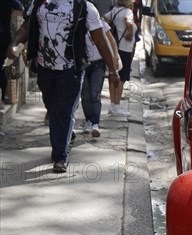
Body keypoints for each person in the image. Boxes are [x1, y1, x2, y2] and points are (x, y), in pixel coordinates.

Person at [7, 0, 120, 173]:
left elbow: (100, 38)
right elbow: (26, 27)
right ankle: (65, 136)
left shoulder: (84, 7)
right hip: (45, 69)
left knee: (64, 110)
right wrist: (14, 43)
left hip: (71, 69)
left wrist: (112, 69)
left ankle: (60, 156)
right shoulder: (39, 3)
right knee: (52, 109)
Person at [81, 6, 120, 138]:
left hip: (99, 64)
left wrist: (115, 56)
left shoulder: (101, 24)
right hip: (83, 64)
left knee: (94, 93)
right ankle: (88, 120)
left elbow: (111, 41)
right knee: (85, 95)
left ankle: (95, 124)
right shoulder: (79, 25)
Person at [104, 0, 136, 117]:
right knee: (121, 78)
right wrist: (130, 34)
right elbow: (128, 22)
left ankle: (113, 105)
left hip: (114, 48)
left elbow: (103, 20)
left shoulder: (113, 11)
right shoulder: (128, 12)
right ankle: (117, 106)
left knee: (113, 75)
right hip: (125, 49)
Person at [0, 0, 24, 110]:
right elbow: (20, 8)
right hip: (3, 35)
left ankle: (1, 99)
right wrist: (12, 16)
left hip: (3, 36)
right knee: (1, 67)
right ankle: (2, 99)